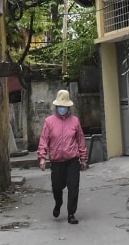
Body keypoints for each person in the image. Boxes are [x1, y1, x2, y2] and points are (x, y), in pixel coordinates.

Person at [37, 89, 88, 224]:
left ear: (69, 107)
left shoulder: (75, 121)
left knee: (73, 188)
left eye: (64, 107)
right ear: (56, 106)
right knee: (57, 187)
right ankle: (58, 203)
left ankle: (71, 213)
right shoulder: (49, 122)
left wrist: (83, 158)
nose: (62, 109)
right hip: (57, 161)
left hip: (72, 160)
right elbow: (44, 140)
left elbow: (80, 140)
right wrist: (42, 157)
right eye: (60, 106)